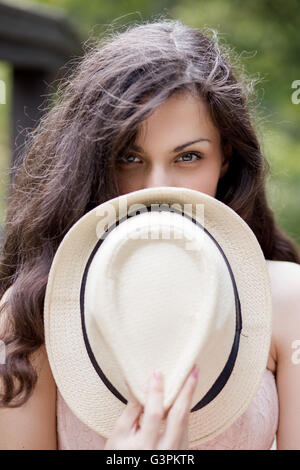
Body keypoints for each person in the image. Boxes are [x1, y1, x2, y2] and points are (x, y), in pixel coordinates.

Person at [0, 18, 300, 450]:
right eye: (129, 157)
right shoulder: (32, 314)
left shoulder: (286, 302)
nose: (156, 188)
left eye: (188, 156)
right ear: (92, 163)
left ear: (227, 159)